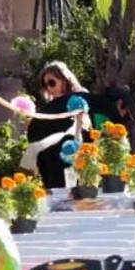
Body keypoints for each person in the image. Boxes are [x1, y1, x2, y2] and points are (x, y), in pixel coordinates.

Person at [26, 62, 90, 190]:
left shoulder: (79, 100)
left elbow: (88, 129)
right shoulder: (47, 109)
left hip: (75, 160)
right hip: (51, 165)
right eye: (45, 85)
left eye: (52, 82)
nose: (49, 88)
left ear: (65, 80)